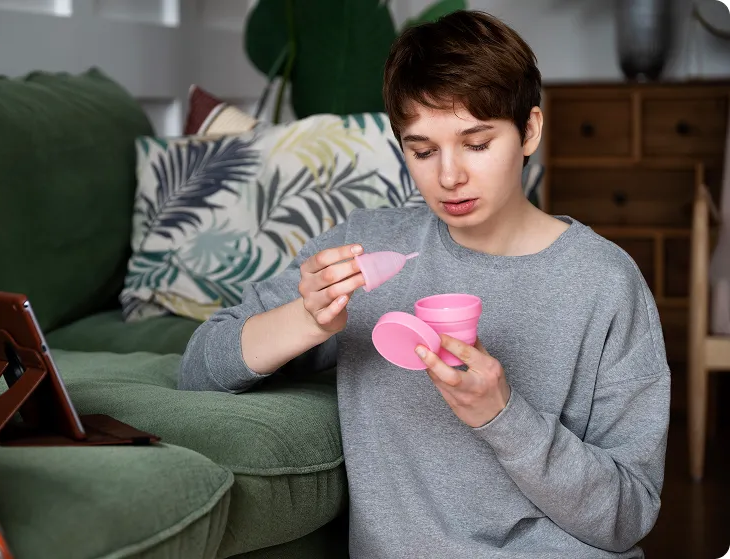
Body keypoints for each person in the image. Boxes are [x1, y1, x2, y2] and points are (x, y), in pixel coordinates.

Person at [179, 10, 670, 558]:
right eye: (423, 150)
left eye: (477, 144)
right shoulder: (362, 251)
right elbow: (199, 370)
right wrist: (306, 317)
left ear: (530, 130)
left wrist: (502, 416)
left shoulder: (604, 282)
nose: (449, 176)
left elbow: (630, 514)